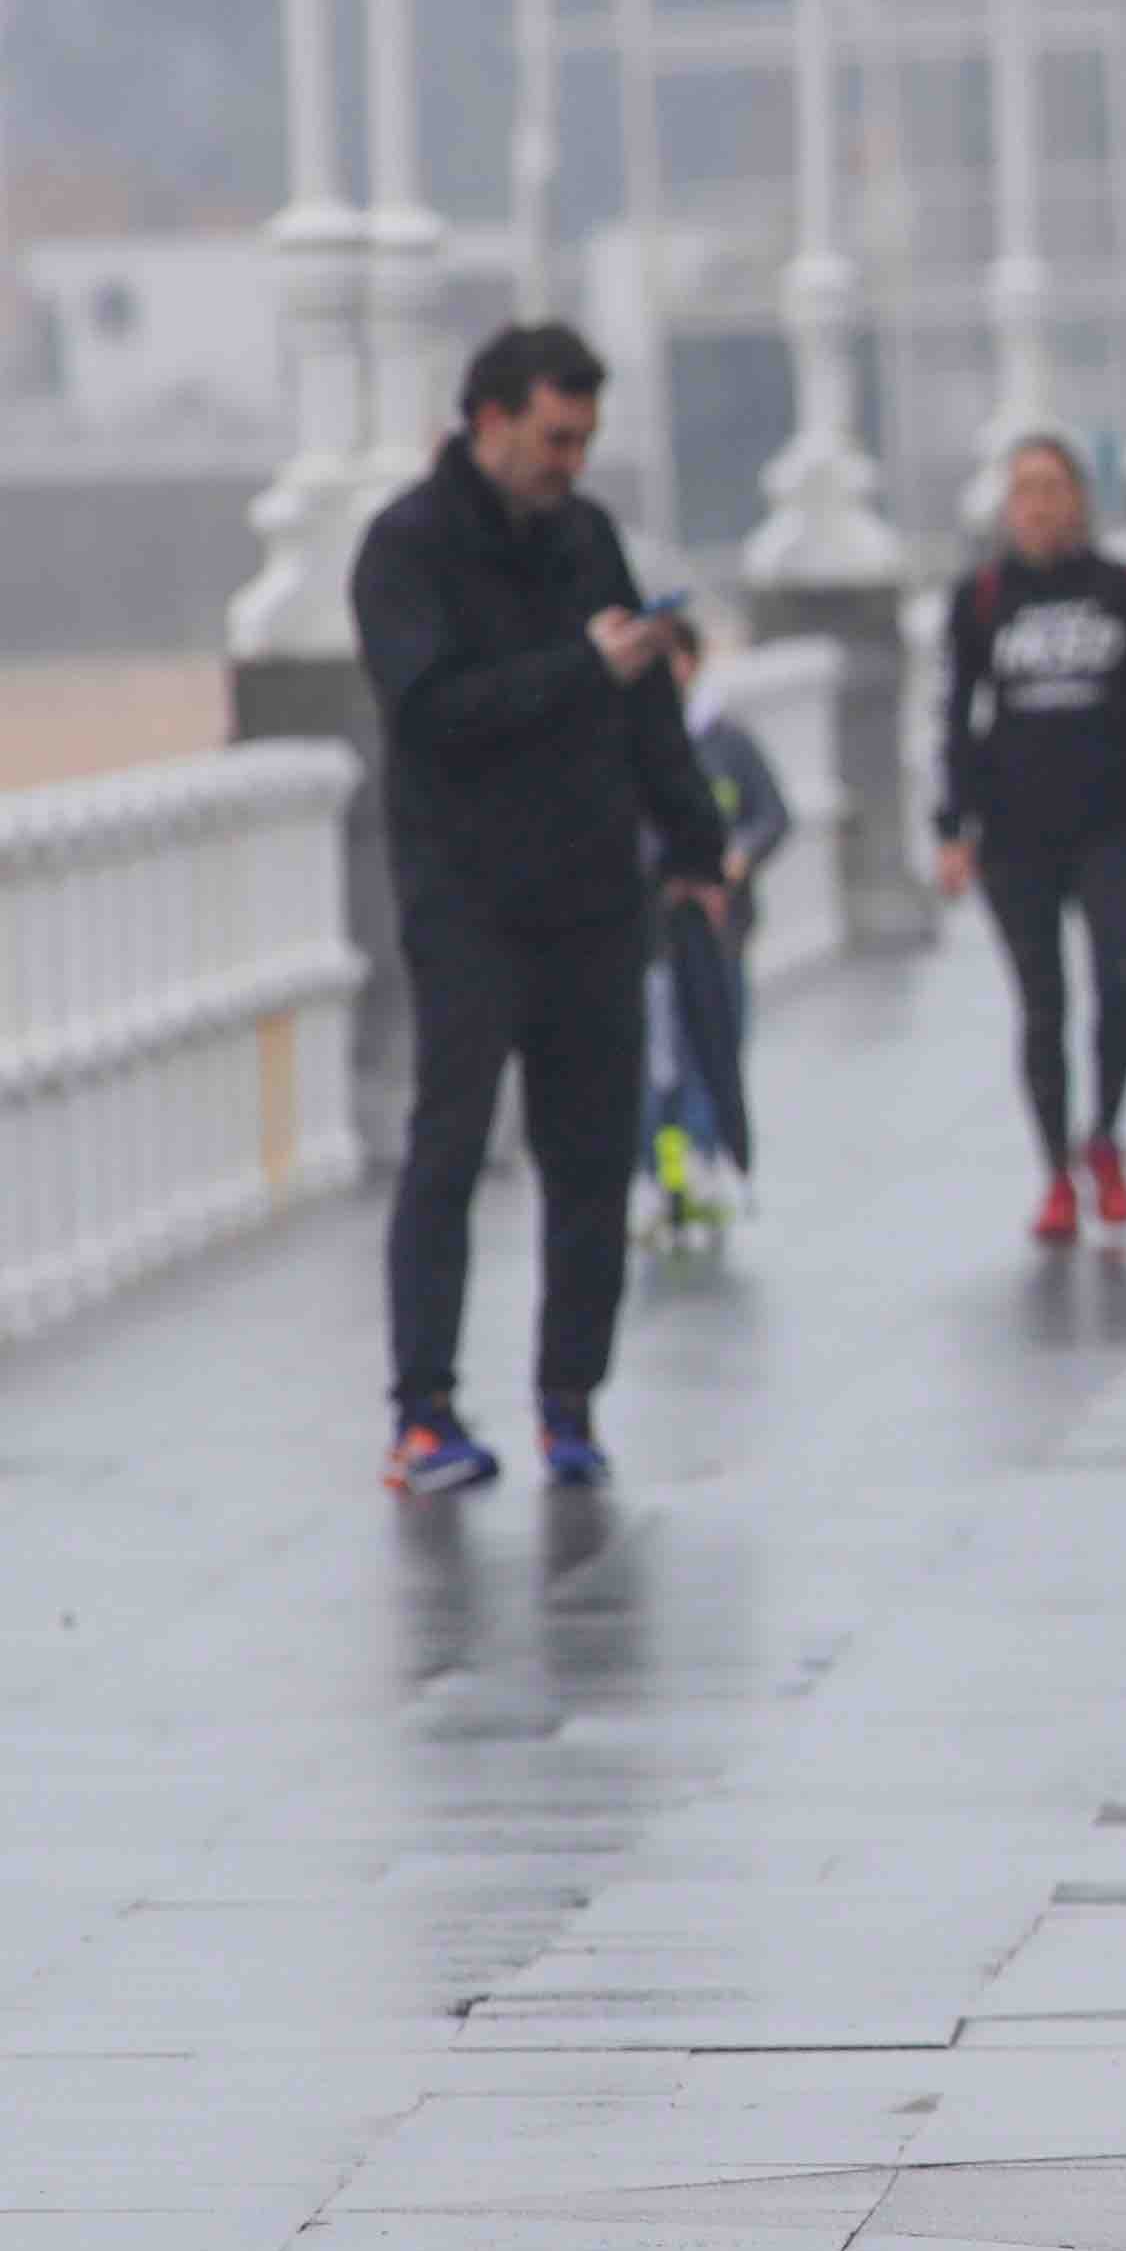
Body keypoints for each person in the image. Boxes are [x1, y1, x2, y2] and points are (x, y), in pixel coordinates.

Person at [350, 322, 726, 1494]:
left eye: (585, 438)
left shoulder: (588, 537)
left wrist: (697, 845)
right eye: (557, 436)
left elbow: (647, 702)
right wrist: (583, 665)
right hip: (464, 895)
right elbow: (427, 713)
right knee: (450, 1147)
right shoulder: (403, 549)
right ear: (492, 419)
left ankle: (572, 1405)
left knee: (590, 1156)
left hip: (593, 894)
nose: (571, 459)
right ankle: (424, 1413)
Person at [934, 434, 1126, 1248]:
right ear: (1007, 507)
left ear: (1080, 497)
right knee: (1043, 1007)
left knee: (1120, 992)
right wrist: (951, 827)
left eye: (1052, 488)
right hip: (1015, 838)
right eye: (1023, 491)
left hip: (1110, 827)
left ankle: (1104, 1137)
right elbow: (955, 719)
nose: (1038, 505)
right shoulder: (978, 599)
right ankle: (1054, 1174)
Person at [638, 613, 793, 1244]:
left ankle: (703, 1159)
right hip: (651, 936)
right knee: (657, 1056)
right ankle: (660, 1171)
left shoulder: (729, 744)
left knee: (717, 1042)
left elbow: (771, 815)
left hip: (722, 932)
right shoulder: (627, 747)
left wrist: (736, 860)